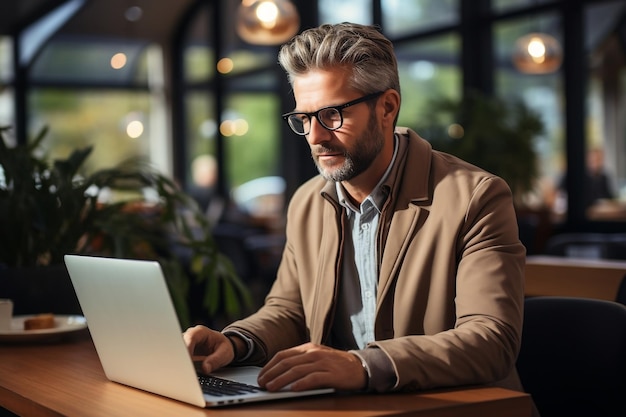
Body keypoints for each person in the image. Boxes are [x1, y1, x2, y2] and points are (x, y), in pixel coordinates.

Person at [184, 22, 526, 396]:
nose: (315, 136)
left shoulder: (476, 198)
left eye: (332, 114)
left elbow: (491, 341)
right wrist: (236, 343)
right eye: (304, 118)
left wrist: (363, 365)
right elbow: (289, 311)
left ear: (387, 107)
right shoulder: (307, 203)